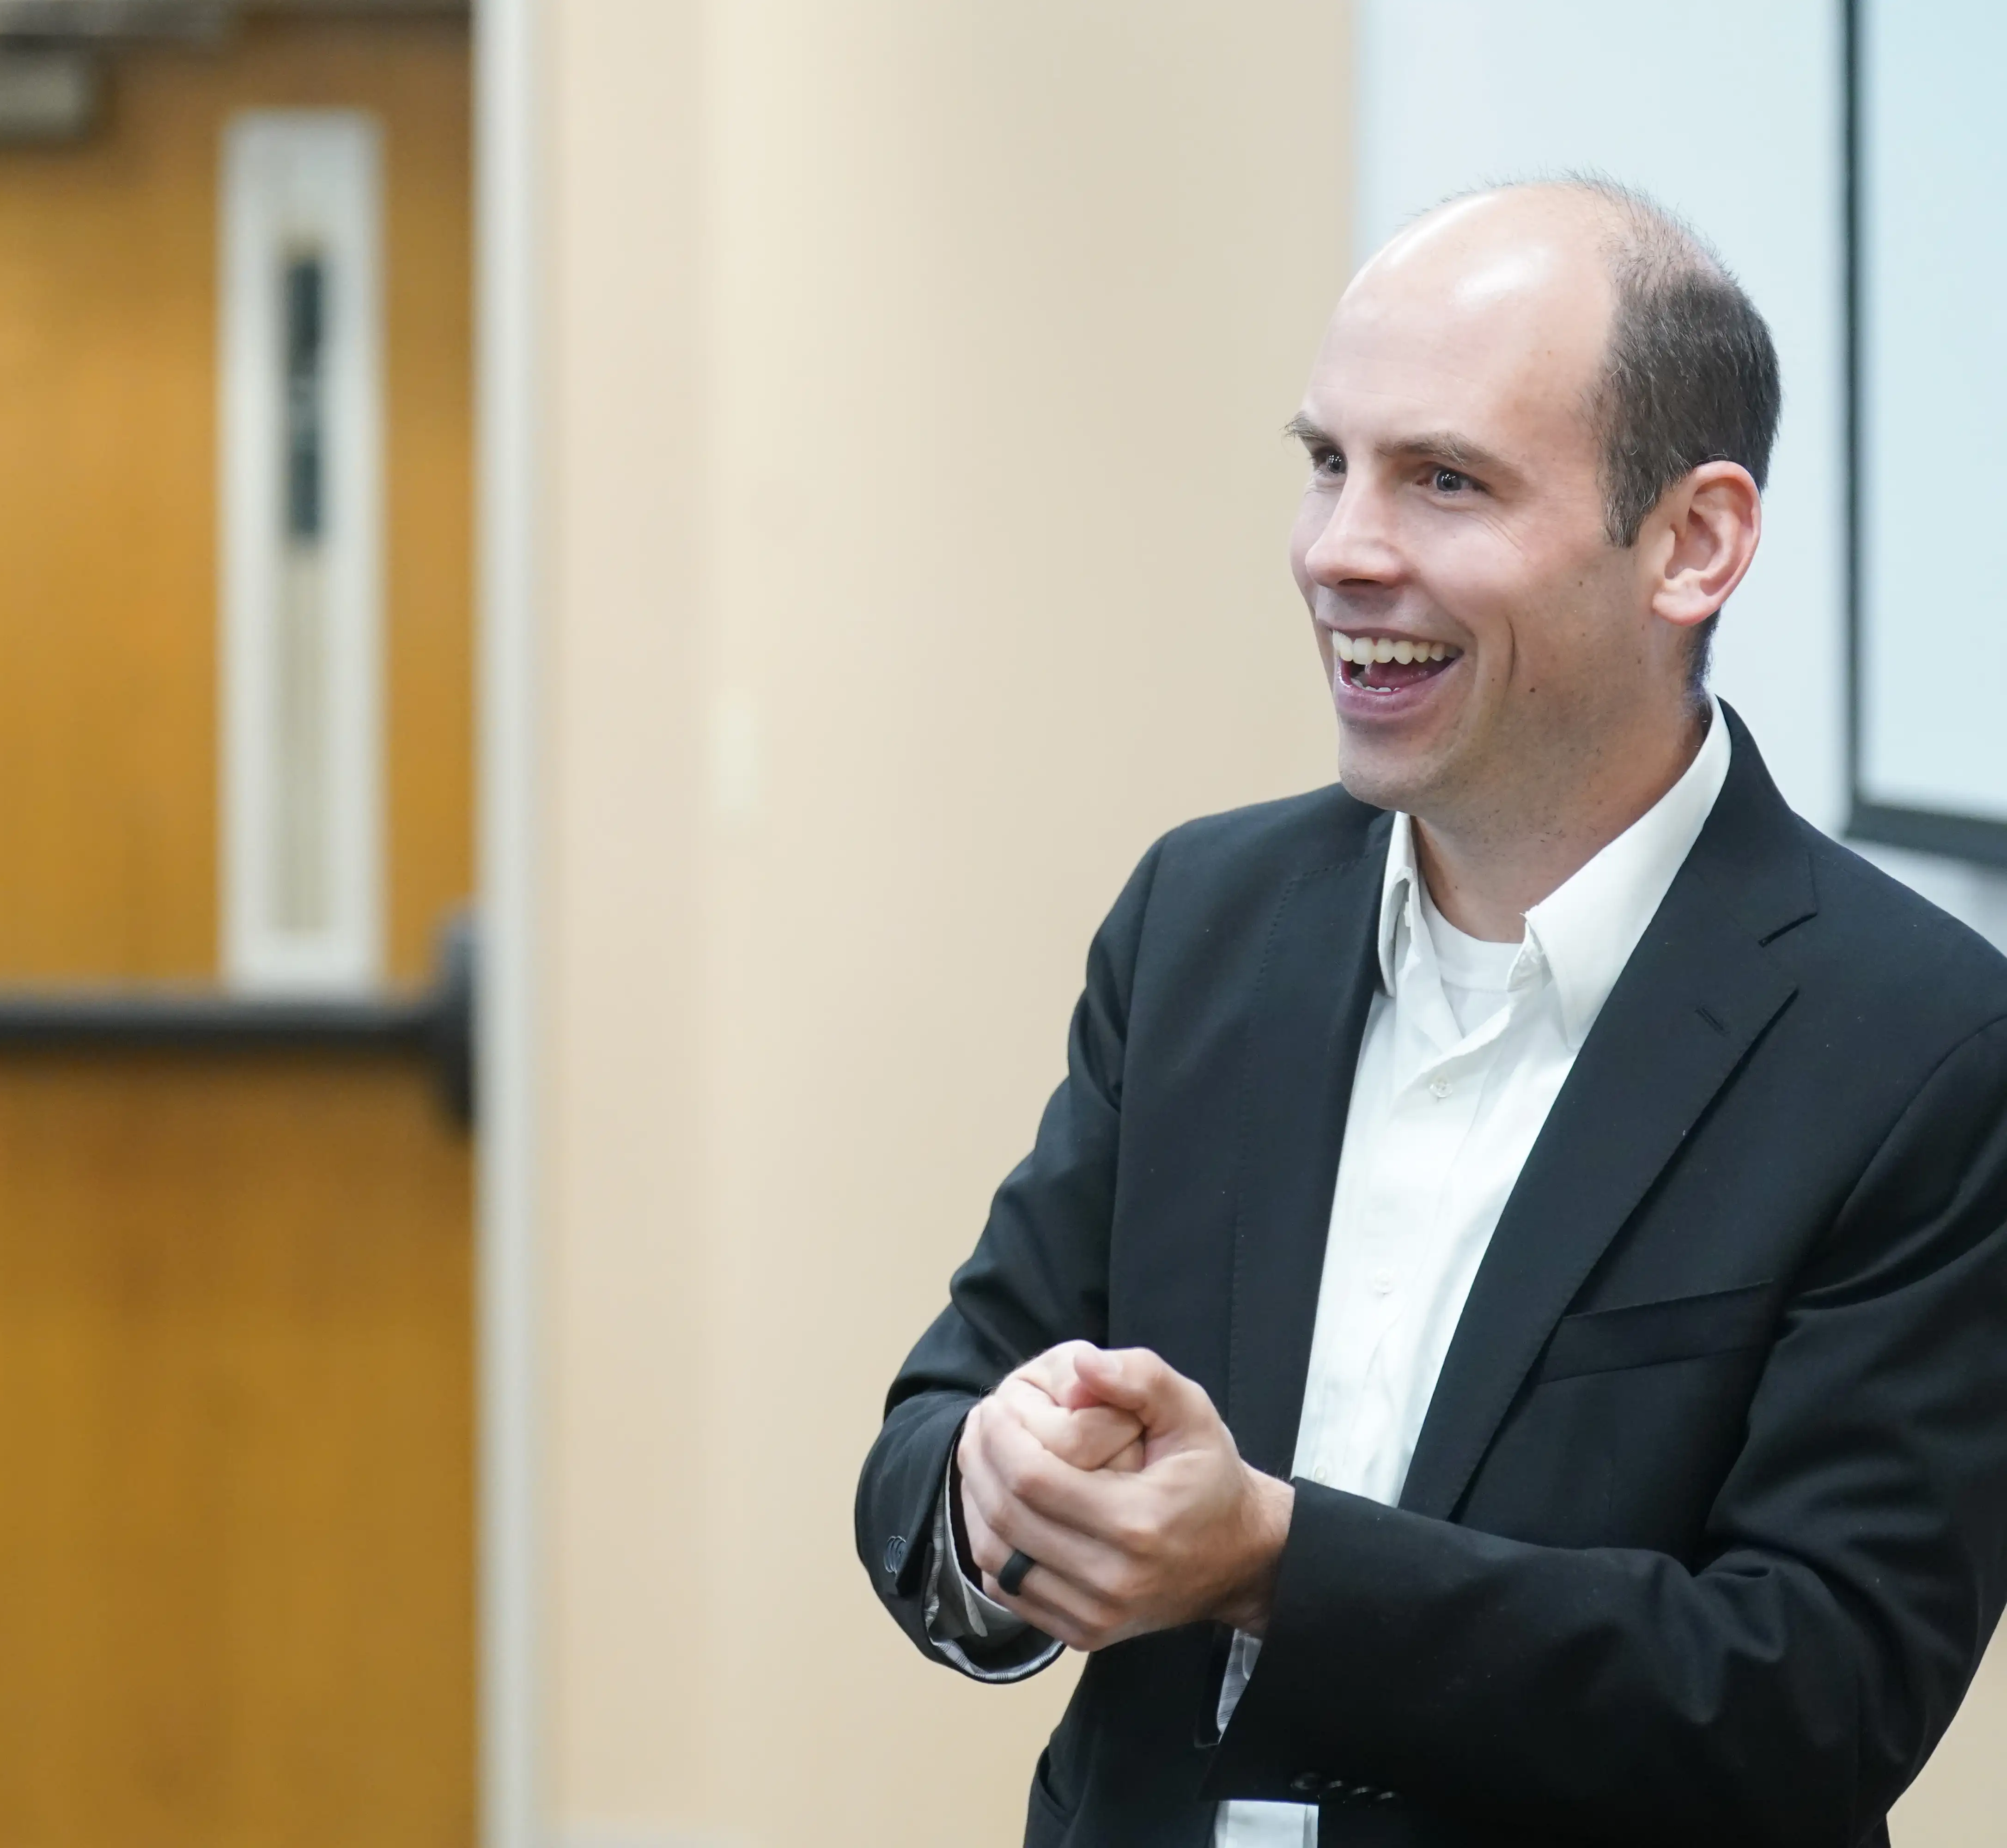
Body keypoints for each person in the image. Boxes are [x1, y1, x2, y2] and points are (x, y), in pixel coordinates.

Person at [854, 177, 2007, 1848]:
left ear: (1695, 543)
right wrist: (992, 1493)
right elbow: (941, 1422)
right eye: (1329, 464)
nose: (1343, 553)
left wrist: (1269, 1562)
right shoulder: (1201, 924)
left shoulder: (1918, 1044)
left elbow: (1810, 1694)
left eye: (1445, 482)